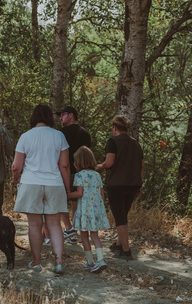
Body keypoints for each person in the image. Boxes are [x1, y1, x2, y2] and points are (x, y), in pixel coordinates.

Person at [12, 104, 70, 274]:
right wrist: (67, 188)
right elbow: (64, 165)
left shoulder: (25, 136)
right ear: (49, 118)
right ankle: (58, 263)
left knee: (34, 225)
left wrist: (16, 178)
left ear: (34, 117)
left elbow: (17, 165)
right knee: (54, 224)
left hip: (31, 183)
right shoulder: (59, 136)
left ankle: (36, 262)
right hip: (54, 183)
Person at [96, 115, 144, 260]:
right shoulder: (136, 143)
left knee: (120, 219)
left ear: (115, 127)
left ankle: (126, 251)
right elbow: (141, 166)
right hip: (133, 184)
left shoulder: (113, 142)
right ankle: (118, 244)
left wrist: (98, 166)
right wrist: (139, 184)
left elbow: (109, 163)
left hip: (117, 185)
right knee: (123, 215)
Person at [67, 146, 110, 273]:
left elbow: (79, 193)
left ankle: (90, 261)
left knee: (84, 236)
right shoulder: (97, 175)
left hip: (84, 210)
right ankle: (101, 260)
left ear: (78, 161)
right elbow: (101, 195)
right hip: (96, 210)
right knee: (95, 236)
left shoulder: (79, 176)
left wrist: (67, 195)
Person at [56, 106, 91, 245]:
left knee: (60, 200)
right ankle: (75, 230)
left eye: (62, 115)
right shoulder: (85, 133)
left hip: (65, 171)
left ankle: (69, 229)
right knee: (77, 202)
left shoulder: (61, 133)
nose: (60, 118)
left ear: (71, 115)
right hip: (82, 173)